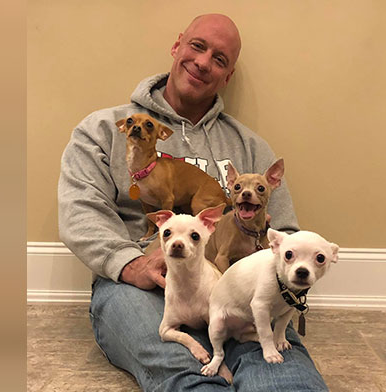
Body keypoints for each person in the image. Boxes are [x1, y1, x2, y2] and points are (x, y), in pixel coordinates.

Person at [58, 13, 329, 391]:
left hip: (238, 286)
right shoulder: (102, 129)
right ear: (177, 46)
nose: (203, 62)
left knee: (278, 368)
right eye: (197, 47)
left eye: (220, 59)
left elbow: (286, 236)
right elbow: (79, 210)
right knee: (179, 366)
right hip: (138, 283)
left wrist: (272, 287)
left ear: (227, 76)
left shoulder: (249, 147)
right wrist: (130, 264)